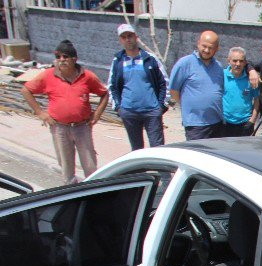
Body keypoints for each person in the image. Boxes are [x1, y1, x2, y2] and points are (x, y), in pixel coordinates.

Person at [21, 40, 109, 184]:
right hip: (59, 128)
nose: (61, 60)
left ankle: (93, 192)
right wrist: (40, 113)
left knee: (90, 166)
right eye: (58, 57)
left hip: (82, 127)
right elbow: (26, 90)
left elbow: (104, 94)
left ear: (74, 59)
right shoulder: (48, 75)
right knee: (66, 166)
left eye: (65, 56)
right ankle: (71, 193)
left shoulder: (87, 77)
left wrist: (97, 114)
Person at [107, 23, 169, 150]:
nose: (127, 39)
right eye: (124, 37)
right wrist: (119, 107)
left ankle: (160, 170)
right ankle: (141, 170)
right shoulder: (118, 61)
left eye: (130, 36)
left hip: (151, 112)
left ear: (136, 37)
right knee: (136, 150)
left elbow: (164, 83)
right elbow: (112, 86)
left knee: (158, 149)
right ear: (120, 40)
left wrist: (161, 105)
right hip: (129, 112)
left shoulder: (150, 59)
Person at [168, 31, 224, 140]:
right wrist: (189, 105)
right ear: (198, 43)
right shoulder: (184, 63)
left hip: (216, 122)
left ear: (217, 49)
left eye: (211, 48)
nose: (206, 50)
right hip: (195, 125)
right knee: (197, 156)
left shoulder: (218, 66)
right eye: (204, 46)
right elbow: (174, 90)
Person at [222, 47, 259, 137]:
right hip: (225, 124)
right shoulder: (221, 76)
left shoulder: (252, 79)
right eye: (234, 61)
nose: (238, 64)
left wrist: (252, 121)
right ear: (228, 61)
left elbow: (257, 101)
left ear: (245, 62)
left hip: (245, 124)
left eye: (241, 61)